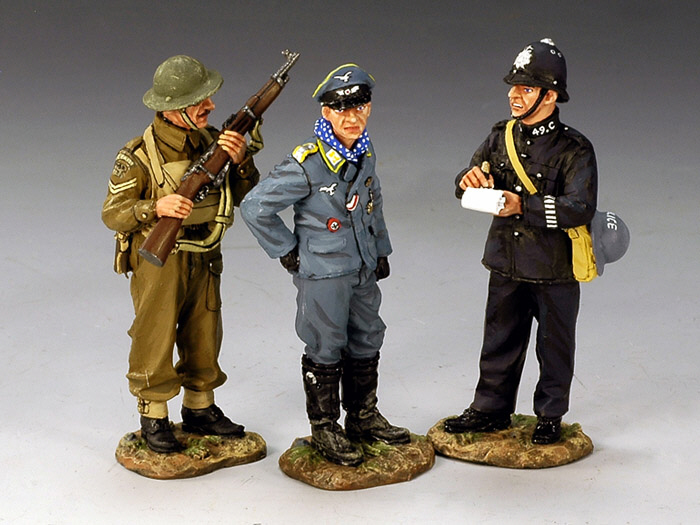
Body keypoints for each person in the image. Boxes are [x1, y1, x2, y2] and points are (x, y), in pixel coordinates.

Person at [240, 64, 410, 466]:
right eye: (342, 110)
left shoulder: (364, 150)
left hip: (362, 265)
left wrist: (380, 249)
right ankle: (325, 426)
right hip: (324, 272)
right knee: (325, 345)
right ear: (326, 112)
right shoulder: (308, 163)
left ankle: (363, 416)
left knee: (368, 336)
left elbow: (372, 201)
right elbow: (255, 206)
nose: (352, 118)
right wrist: (287, 250)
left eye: (360, 107)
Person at [102, 55, 261, 453]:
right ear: (172, 109)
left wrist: (241, 161)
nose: (210, 106)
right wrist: (154, 208)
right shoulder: (138, 155)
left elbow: (244, 195)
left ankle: (200, 407)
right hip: (161, 260)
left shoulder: (212, 141)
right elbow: (113, 213)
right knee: (155, 333)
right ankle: (154, 414)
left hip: (204, 251)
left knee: (204, 329)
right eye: (199, 101)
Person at [444, 39, 597, 445]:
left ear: (550, 96)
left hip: (553, 267)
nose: (514, 95)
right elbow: (466, 179)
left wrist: (522, 206)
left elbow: (579, 208)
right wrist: (467, 180)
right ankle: (489, 409)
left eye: (526, 88)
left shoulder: (574, 149)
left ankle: (550, 414)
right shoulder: (500, 137)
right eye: (514, 87)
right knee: (498, 340)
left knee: (554, 346)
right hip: (506, 261)